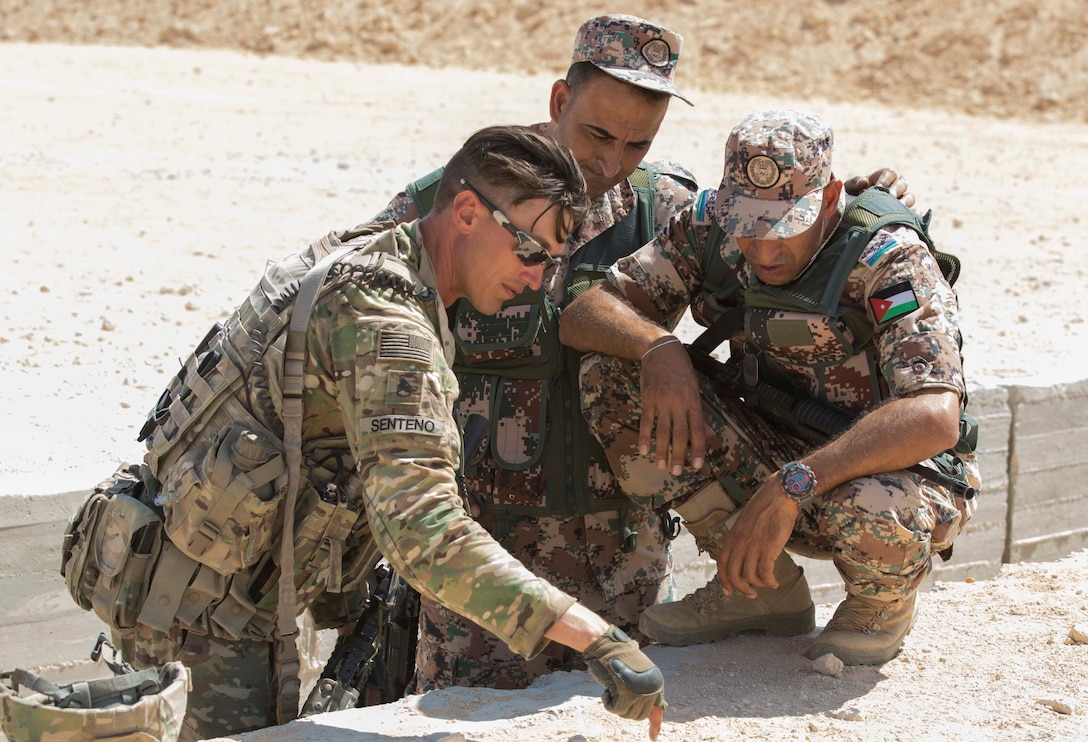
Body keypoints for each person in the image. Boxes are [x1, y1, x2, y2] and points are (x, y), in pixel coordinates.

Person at [60, 125, 666, 741]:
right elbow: (425, 533)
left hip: (192, 585)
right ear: (465, 212)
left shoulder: (367, 254)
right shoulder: (386, 324)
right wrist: (596, 638)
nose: (538, 280)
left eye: (553, 262)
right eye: (530, 251)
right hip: (210, 619)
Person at [372, 15, 917, 691]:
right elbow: (358, 327)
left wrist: (852, 208)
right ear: (557, 103)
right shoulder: (452, 203)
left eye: (637, 143)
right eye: (597, 134)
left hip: (622, 556)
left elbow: (777, 256)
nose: (611, 161)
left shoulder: (665, 209)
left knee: (614, 715)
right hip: (487, 551)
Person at [560, 109, 979, 666]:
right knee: (614, 373)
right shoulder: (709, 224)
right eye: (748, 227)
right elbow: (584, 313)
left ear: (830, 200)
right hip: (772, 448)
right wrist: (657, 349)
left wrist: (795, 483)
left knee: (872, 502)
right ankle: (757, 587)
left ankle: (879, 603)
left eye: (785, 228)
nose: (763, 250)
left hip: (889, 474)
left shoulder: (886, 255)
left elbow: (934, 415)